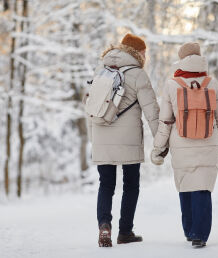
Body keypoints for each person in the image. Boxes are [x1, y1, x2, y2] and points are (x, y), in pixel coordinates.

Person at [151, 42, 218, 248]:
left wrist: (158, 148)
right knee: (202, 188)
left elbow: (165, 121)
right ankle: (200, 235)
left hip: (181, 145)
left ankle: (189, 230)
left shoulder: (172, 84)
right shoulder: (212, 83)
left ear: (182, 59)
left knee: (186, 186)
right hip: (208, 142)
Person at [86, 33, 159, 247]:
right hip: (128, 138)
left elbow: (89, 107)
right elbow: (152, 112)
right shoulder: (138, 75)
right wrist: (161, 141)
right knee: (131, 185)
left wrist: (94, 138)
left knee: (106, 184)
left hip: (101, 134)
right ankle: (125, 231)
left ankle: (104, 226)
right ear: (138, 53)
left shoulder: (101, 70)